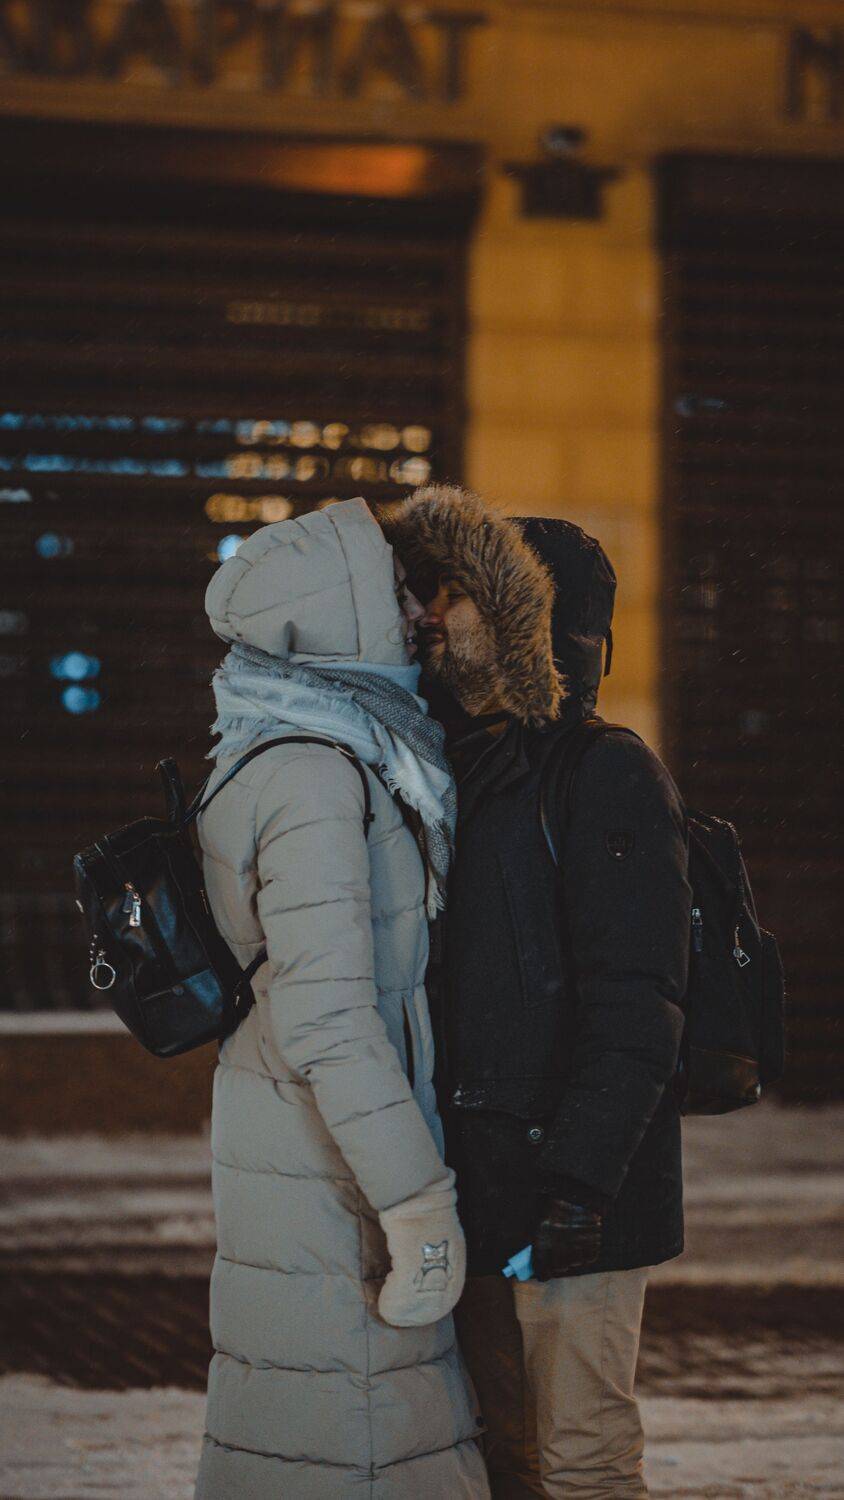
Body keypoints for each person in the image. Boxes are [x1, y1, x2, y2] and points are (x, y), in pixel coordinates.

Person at [380, 485, 691, 1500]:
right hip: (472, 1179)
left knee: (581, 1462)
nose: (430, 613)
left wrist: (582, 1184)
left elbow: (638, 997)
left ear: (525, 621)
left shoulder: (603, 773)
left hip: (574, 1193)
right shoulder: (438, 765)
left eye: (456, 594)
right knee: (499, 1462)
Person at [194, 498, 490, 1499]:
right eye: (397, 591)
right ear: (339, 606)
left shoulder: (285, 746)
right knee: (355, 1437)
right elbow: (327, 1016)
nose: (418, 614)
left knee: (313, 1431)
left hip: (304, 1134)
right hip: (336, 1163)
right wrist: (416, 1202)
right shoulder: (316, 775)